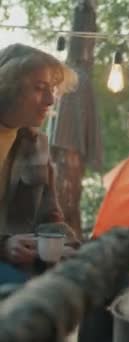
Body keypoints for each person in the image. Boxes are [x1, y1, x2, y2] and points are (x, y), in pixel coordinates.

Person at [0, 43, 79, 285]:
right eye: (39, 88)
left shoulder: (37, 144)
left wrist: (74, 249)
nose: (50, 100)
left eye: (52, 90)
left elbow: (49, 213)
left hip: (23, 263)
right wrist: (3, 245)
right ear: (7, 88)